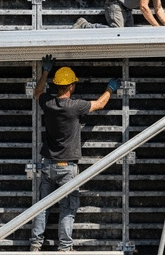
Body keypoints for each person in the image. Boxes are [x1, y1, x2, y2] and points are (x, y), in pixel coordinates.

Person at [30, 55, 121, 252]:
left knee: (42, 207)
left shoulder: (48, 103)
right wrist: (110, 89)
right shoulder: (76, 106)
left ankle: (35, 246)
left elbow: (37, 92)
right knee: (68, 208)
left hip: (47, 165)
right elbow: (99, 104)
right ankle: (64, 248)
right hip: (67, 168)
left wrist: (45, 71)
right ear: (71, 86)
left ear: (56, 86)